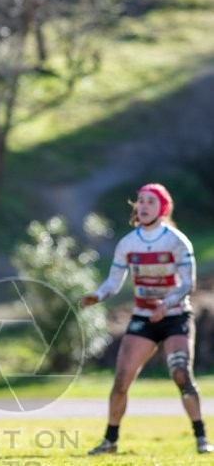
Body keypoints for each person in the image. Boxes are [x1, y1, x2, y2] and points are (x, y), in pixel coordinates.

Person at [81, 183, 213, 456]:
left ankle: (201, 438)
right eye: (140, 201)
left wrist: (166, 304)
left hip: (175, 316)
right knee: (121, 379)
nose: (142, 206)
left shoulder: (177, 241)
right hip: (143, 318)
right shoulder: (128, 243)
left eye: (150, 202)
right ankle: (110, 441)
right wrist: (98, 295)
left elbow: (188, 284)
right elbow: (114, 282)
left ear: (162, 208)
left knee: (180, 373)